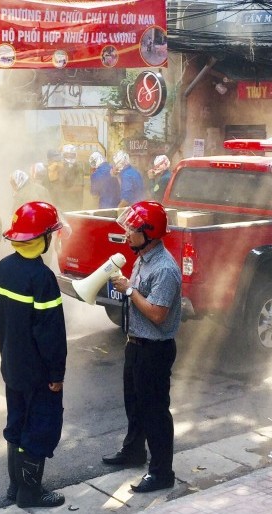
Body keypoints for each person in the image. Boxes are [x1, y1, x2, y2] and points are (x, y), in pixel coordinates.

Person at [0, 201, 67, 508]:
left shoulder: (3, 268)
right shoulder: (42, 278)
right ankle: (30, 494)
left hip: (13, 365)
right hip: (38, 373)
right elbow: (51, 336)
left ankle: (15, 488)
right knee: (39, 428)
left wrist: (9, 351)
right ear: (43, 239)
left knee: (17, 423)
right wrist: (56, 375)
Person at [102, 201, 181, 493]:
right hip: (136, 344)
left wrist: (130, 290)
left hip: (154, 349)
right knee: (134, 404)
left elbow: (158, 314)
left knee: (155, 411)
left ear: (149, 233)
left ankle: (162, 473)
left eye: (132, 230)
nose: (127, 235)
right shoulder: (143, 258)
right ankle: (134, 451)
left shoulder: (165, 269)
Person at [59, 144, 85, 212]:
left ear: (75, 155)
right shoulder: (62, 166)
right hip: (64, 202)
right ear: (63, 155)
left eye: (72, 155)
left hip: (75, 203)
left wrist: (63, 190)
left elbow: (79, 187)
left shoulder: (78, 167)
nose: (69, 157)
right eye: (67, 155)